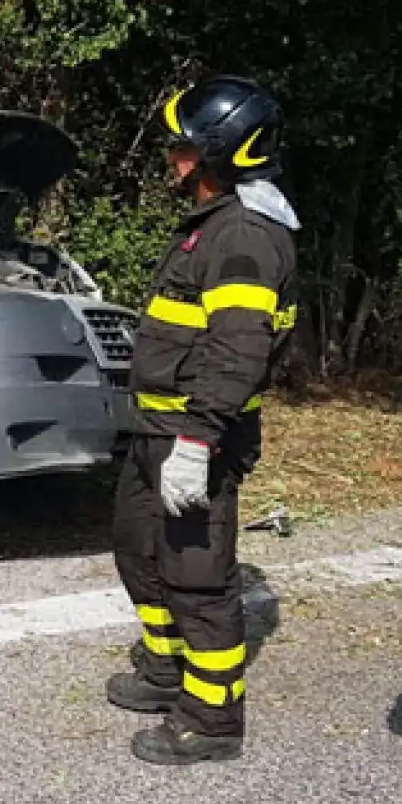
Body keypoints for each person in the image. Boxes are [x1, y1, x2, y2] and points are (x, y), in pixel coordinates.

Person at [107, 76, 301, 765]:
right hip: (155, 432)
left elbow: (237, 349)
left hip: (195, 439)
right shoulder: (210, 226)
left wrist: (196, 442)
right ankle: (167, 672)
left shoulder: (244, 235)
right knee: (138, 548)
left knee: (197, 575)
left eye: (184, 149)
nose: (172, 159)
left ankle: (212, 719)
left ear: (221, 155)